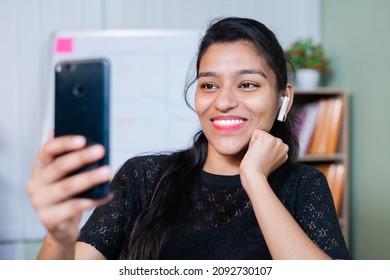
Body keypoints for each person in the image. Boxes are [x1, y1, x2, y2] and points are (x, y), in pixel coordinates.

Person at [26, 17, 351, 260]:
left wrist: (254, 179)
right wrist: (58, 236)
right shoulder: (142, 178)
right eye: (209, 85)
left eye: (247, 84)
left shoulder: (304, 185)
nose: (222, 102)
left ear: (284, 98)